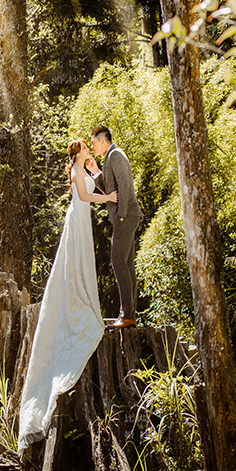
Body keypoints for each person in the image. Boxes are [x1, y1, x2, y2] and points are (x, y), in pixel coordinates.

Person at [17, 138, 117, 452]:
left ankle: (84, 298)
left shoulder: (82, 167)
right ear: (76, 152)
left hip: (82, 221)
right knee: (75, 265)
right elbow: (88, 195)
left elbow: (94, 181)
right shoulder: (74, 169)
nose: (89, 151)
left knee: (83, 263)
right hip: (78, 219)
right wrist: (111, 196)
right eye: (85, 148)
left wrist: (95, 169)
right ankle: (78, 303)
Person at [86, 125, 144, 330]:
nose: (92, 146)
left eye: (93, 142)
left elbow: (125, 185)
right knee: (126, 264)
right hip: (127, 215)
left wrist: (121, 214)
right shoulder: (109, 157)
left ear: (102, 140)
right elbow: (111, 188)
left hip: (126, 216)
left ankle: (126, 314)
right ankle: (129, 315)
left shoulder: (116, 154)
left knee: (118, 261)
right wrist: (95, 172)